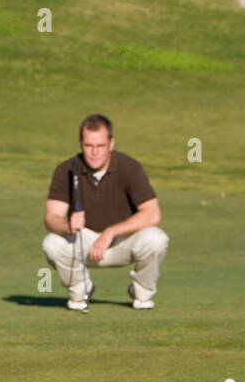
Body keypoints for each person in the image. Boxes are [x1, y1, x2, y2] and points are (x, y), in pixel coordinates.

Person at [42, 114, 168, 311]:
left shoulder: (129, 167)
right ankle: (81, 290)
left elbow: (153, 214)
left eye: (100, 146)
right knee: (51, 243)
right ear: (80, 144)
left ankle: (141, 293)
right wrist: (66, 225)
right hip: (84, 241)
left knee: (156, 238)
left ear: (111, 143)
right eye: (88, 146)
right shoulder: (66, 169)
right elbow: (51, 218)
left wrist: (111, 232)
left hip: (122, 241)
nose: (94, 152)